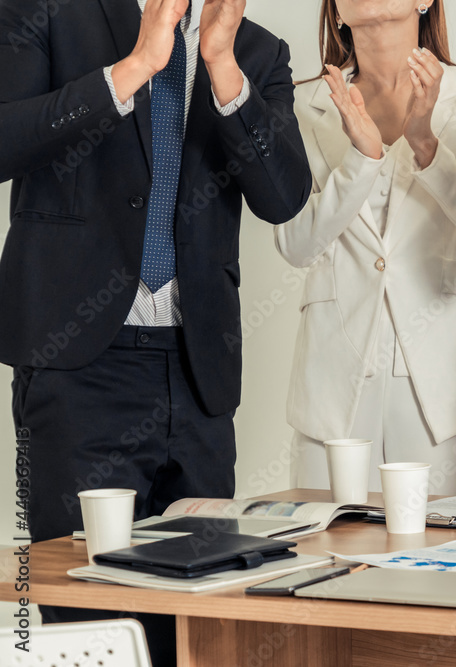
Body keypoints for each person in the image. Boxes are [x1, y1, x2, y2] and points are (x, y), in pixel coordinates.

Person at [0, 0, 311, 662]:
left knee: (200, 620)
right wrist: (136, 65)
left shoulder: (257, 52)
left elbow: (283, 196)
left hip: (197, 377)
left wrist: (222, 68)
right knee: (83, 618)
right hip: (78, 366)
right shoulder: (50, 11)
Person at [275, 0, 456, 496]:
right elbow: (295, 243)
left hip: (446, 389)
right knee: (329, 559)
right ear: (336, 10)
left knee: (448, 558)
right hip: (334, 389)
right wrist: (361, 159)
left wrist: (425, 144)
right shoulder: (302, 104)